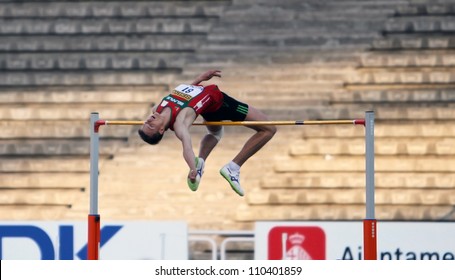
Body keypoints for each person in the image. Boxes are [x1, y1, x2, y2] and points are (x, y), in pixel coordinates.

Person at [138, 69, 276, 196]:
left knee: (215, 134)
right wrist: (191, 168)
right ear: (161, 130)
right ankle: (233, 167)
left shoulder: (158, 108)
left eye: (145, 123)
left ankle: (201, 162)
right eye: (150, 127)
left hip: (208, 108)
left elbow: (185, 95)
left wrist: (199, 79)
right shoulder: (180, 124)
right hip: (223, 104)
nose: (148, 121)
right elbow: (187, 147)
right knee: (268, 129)